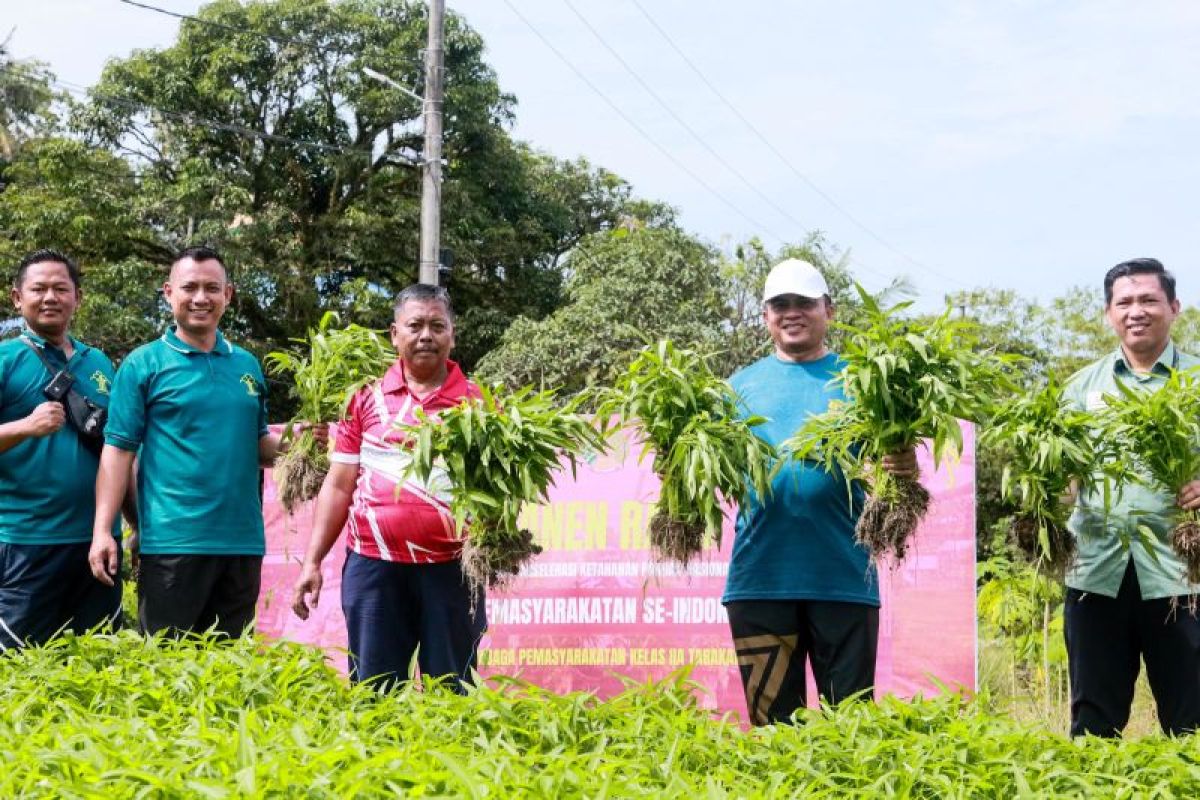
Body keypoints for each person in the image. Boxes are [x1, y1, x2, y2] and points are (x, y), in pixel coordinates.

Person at [723, 258, 917, 725]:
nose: (792, 312)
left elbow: (897, 463)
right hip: (760, 582)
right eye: (780, 304)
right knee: (772, 729)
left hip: (843, 580)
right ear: (766, 315)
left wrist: (904, 466)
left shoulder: (864, 382)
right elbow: (712, 467)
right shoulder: (736, 388)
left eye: (804, 303)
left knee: (849, 729)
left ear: (828, 310)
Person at [89, 245, 291, 638]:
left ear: (228, 295)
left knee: (229, 673)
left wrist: (293, 445)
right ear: (169, 293)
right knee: (166, 673)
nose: (201, 298)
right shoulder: (144, 364)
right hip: (172, 541)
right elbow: (117, 452)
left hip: (242, 543)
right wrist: (103, 530)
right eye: (190, 287)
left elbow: (257, 446)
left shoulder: (247, 365)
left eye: (212, 288)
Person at [290, 283, 485, 691]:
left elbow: (495, 492)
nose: (426, 335)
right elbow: (339, 485)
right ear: (395, 334)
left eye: (437, 325)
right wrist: (312, 562)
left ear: (452, 333)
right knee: (373, 694)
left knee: (453, 693)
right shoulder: (363, 399)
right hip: (374, 566)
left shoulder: (477, 404)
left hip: (452, 571)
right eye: (415, 325)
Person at [1062, 257, 1200, 737]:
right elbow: (1062, 479)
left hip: (1183, 576)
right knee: (1093, 725)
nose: (1135, 311)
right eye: (1124, 302)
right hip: (1096, 572)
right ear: (1108, 313)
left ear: (1174, 307)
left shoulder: (1197, 380)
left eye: (1148, 299)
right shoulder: (1081, 388)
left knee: (1193, 722)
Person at [0, 249, 135, 648]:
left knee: (97, 664)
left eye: (61, 288)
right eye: (38, 289)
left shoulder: (102, 364)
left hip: (98, 543)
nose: (50, 297)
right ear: (16, 298)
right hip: (27, 542)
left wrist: (137, 524)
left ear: (77, 297)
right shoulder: (5, 359)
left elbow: (121, 450)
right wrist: (26, 427)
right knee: (19, 668)